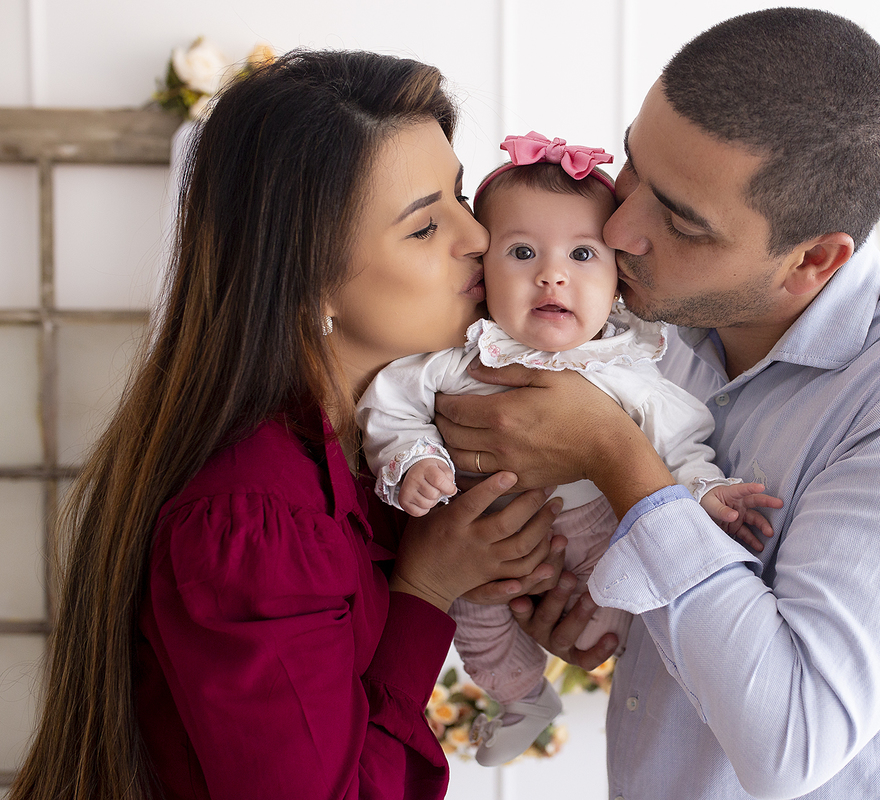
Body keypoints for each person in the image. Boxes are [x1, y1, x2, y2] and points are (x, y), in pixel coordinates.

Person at [433, 9, 880, 800]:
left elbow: (789, 743)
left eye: (679, 220)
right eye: (631, 168)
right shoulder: (652, 329)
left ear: (812, 261)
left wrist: (616, 458)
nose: (619, 228)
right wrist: (608, 622)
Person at [9, 51, 563, 800]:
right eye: (426, 226)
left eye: (462, 196)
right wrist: (426, 591)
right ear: (309, 276)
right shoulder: (254, 519)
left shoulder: (386, 453)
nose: (478, 236)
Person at [357, 131, 781, 766]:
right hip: (488, 545)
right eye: (523, 252)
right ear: (481, 271)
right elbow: (392, 403)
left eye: (583, 254)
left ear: (617, 281)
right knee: (479, 621)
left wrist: (707, 491)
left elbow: (682, 443)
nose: (552, 274)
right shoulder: (462, 359)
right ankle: (524, 699)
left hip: (607, 536)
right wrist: (415, 458)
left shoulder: (629, 366)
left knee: (603, 621)